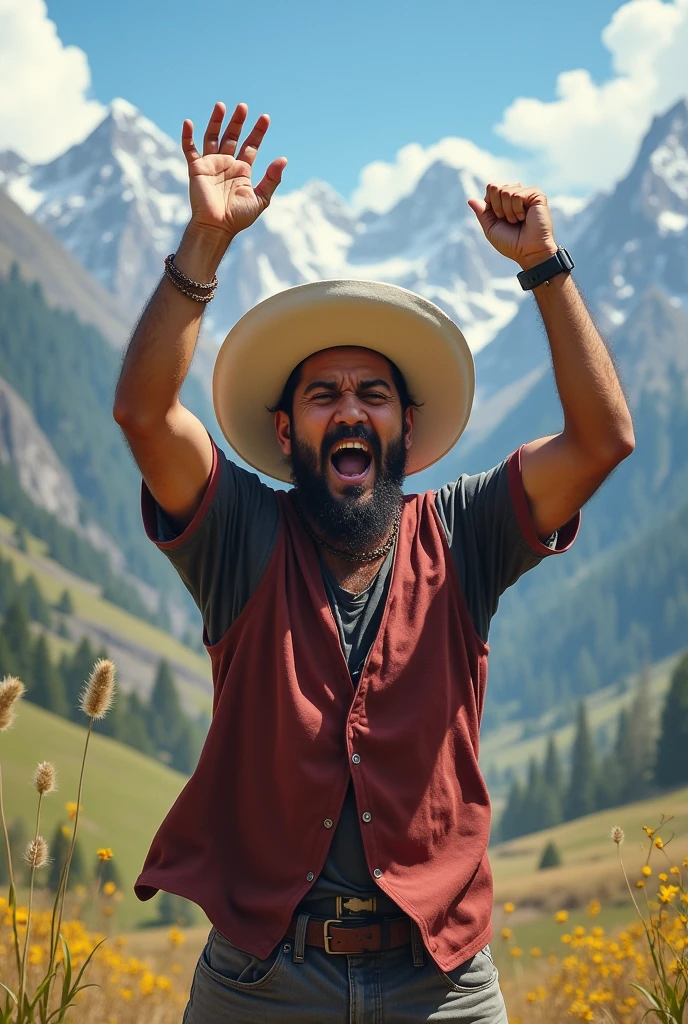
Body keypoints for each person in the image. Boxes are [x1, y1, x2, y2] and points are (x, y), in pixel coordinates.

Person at [113, 101, 635, 1023]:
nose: (350, 409)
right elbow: (146, 417)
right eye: (323, 394)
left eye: (373, 394)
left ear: (404, 429)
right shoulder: (238, 532)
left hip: (443, 984)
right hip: (260, 983)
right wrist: (202, 244)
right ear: (286, 431)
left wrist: (546, 269)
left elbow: (603, 441)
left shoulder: (468, 531)